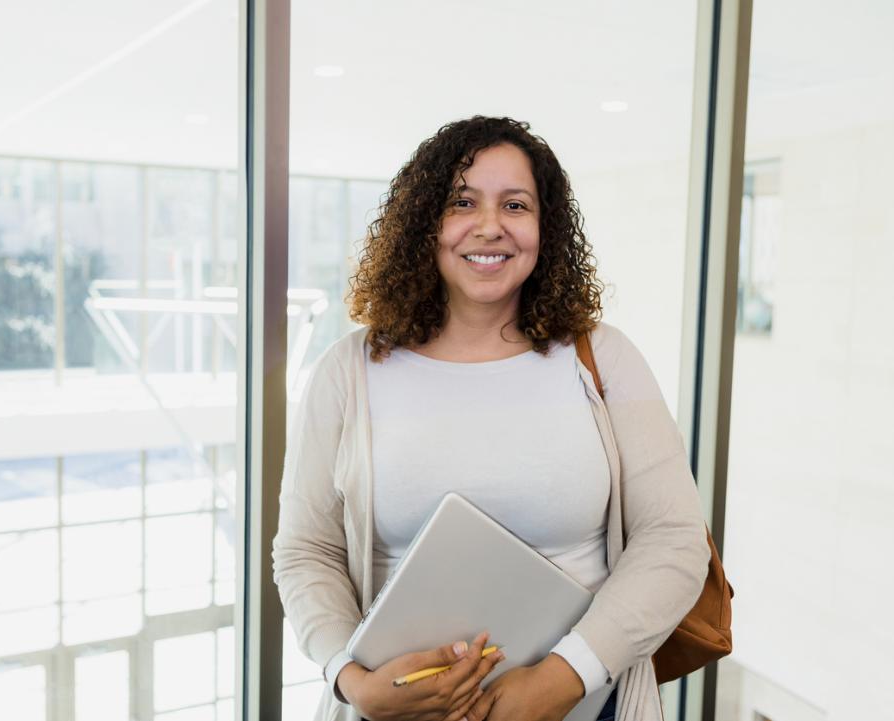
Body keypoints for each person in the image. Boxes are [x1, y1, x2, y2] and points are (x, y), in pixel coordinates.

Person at [273, 116, 710, 721]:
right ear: (426, 222)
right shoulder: (348, 371)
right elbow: (305, 551)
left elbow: (674, 540)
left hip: (583, 707)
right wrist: (349, 679)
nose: (490, 226)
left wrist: (562, 679)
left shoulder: (602, 358)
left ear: (543, 227)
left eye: (515, 205)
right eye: (462, 202)